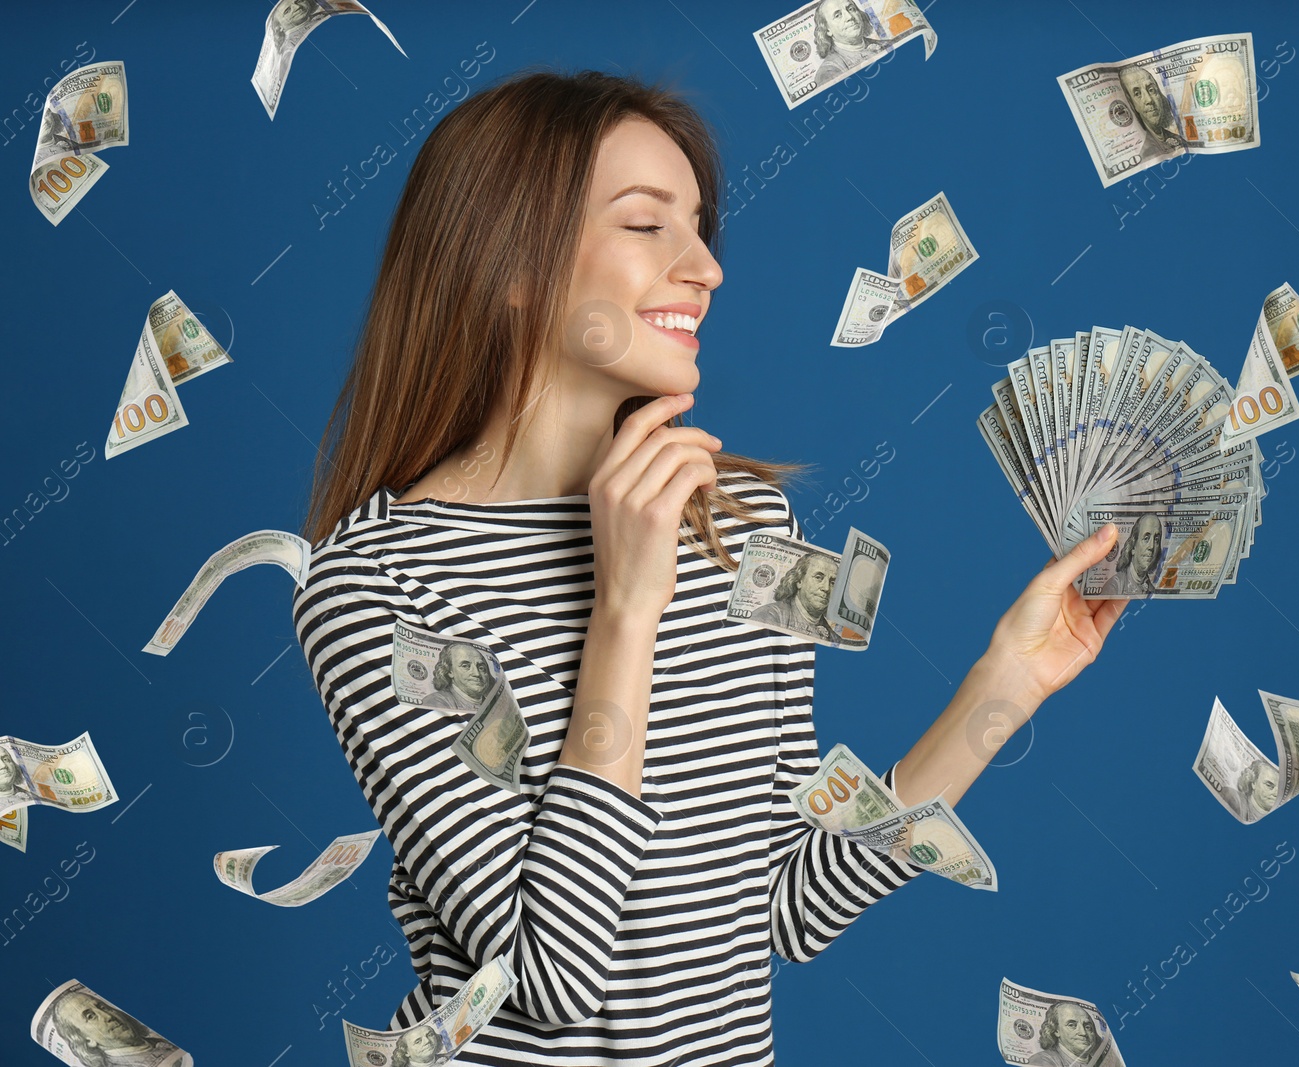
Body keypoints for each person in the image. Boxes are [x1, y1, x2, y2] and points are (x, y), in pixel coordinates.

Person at [294, 69, 1128, 1065]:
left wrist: (1005, 683)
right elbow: (551, 976)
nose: (705, 267)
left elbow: (785, 900)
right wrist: (624, 610)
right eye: (648, 225)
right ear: (508, 259)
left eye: (699, 226)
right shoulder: (375, 588)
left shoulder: (741, 523)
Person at [49, 989, 180, 1067]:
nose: (107, 1016)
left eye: (102, 1007)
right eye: (90, 1016)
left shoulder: (158, 1041)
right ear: (87, 1040)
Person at [750, 550, 843, 641]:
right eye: (818, 577)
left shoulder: (835, 640)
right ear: (799, 581)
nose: (826, 588)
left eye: (832, 582)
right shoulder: (768, 616)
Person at [1117, 64, 1186, 156]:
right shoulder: (1141, 152)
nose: (1149, 100)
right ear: (1130, 103)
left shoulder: (1179, 140)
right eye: (1137, 94)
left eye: (1151, 90)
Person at [814, 0, 887, 84]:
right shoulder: (828, 71)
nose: (849, 17)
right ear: (827, 30)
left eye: (851, 9)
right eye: (837, 15)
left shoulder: (886, 44)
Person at [1029, 1001, 1113, 1066]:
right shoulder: (1042, 1060)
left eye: (1087, 1027)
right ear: (1056, 1030)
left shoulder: (1101, 1063)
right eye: (1072, 1025)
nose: (1083, 1033)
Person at [422, 641, 497, 710]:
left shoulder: (494, 704)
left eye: (481, 668)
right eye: (465, 666)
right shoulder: (436, 701)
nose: (477, 673)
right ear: (449, 671)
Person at [1103, 513, 1162, 595]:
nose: (1151, 546)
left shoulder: (1152, 591)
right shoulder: (1114, 586)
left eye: (1156, 540)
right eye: (1146, 538)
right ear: (1133, 546)